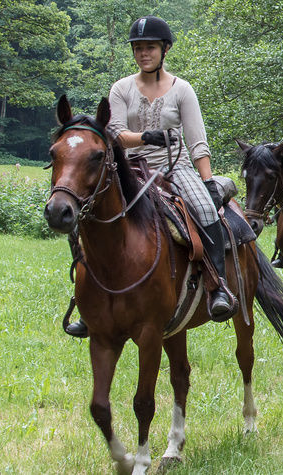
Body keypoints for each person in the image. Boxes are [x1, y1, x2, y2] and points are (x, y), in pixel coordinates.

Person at [66, 15, 231, 338]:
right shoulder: (122, 88)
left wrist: (208, 181)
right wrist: (145, 138)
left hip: (174, 167)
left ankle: (218, 287)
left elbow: (197, 141)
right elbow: (112, 133)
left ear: (164, 50)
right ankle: (85, 300)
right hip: (129, 170)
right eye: (138, 48)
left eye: (150, 48)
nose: (144, 54)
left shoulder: (182, 89)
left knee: (208, 211)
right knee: (82, 218)